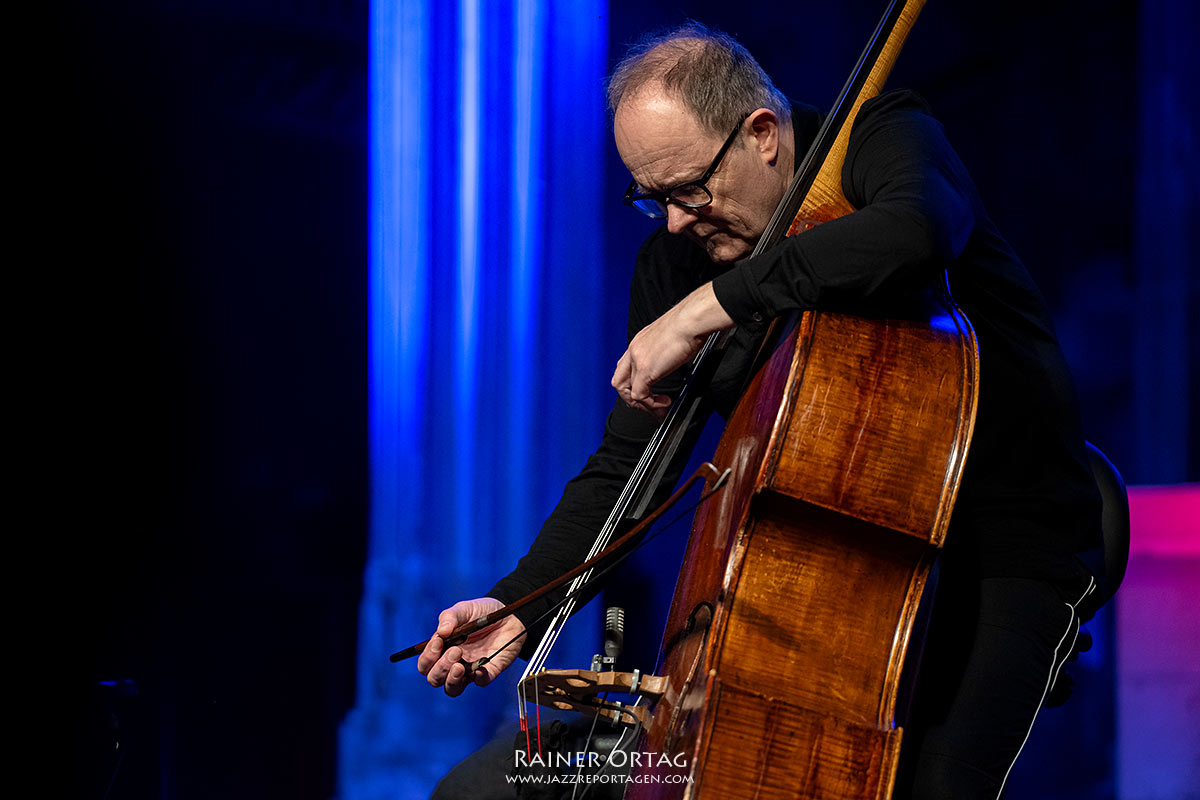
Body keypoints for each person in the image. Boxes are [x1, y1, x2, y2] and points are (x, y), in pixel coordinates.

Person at [417, 23, 1102, 800]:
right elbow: (628, 470)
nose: (675, 221)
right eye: (653, 200)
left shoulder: (877, 139)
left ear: (764, 134)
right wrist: (524, 604)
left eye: (688, 190)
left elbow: (916, 231)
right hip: (816, 571)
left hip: (1005, 550)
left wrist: (705, 309)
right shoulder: (678, 259)